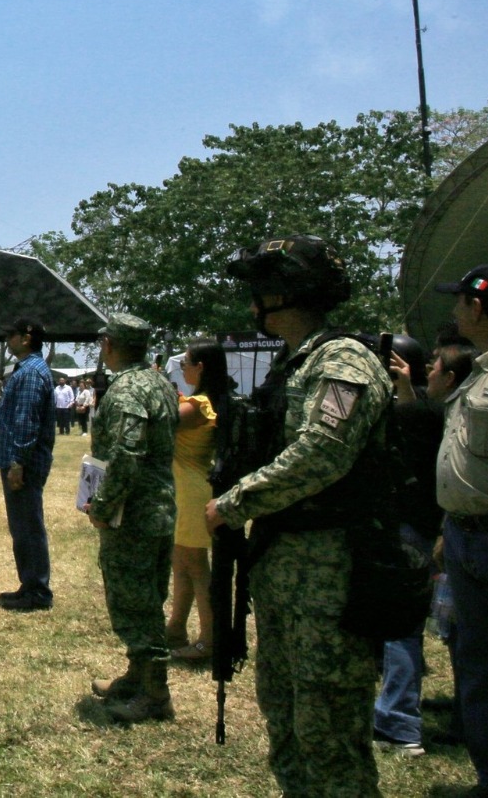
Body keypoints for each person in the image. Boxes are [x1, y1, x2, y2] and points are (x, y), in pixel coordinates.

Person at [206, 235, 392, 798]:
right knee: (285, 717)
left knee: (327, 729)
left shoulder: (343, 361)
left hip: (330, 570)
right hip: (285, 567)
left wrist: (236, 502)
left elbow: (323, 452)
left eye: (260, 291)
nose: (253, 304)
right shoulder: (294, 364)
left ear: (283, 294)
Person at [374, 338, 470, 757]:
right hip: (443, 530)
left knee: (400, 629)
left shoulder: (426, 415)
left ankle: (399, 723)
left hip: (414, 531)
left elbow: (406, 420)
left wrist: (402, 388)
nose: (431, 369)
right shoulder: (448, 414)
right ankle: (468, 717)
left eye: (435, 366)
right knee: (462, 635)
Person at [84, 314, 180, 721]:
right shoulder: (160, 382)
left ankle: (155, 696)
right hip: (159, 507)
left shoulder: (126, 390)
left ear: (109, 345)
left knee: (135, 604)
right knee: (148, 599)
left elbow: (127, 454)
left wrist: (103, 506)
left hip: (134, 514)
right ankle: (137, 677)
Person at [432, 264, 488, 796]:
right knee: (479, 666)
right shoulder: (481, 370)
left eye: (459, 302)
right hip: (465, 535)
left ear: (477, 308)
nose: (454, 311)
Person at [165, 336, 232, 663]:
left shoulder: (200, 404)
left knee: (195, 565)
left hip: (192, 492)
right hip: (185, 489)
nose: (182, 369)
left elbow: (164, 420)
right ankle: (176, 629)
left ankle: (209, 639)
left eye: (185, 363)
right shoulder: (199, 400)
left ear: (201, 367)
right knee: (182, 563)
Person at [0, 318, 56, 611]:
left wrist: (18, 462)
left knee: (27, 526)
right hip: (22, 461)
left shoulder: (29, 373)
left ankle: (37, 591)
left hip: (23, 464)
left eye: (12, 335)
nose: (8, 341)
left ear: (27, 338)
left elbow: (26, 421)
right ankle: (29, 584)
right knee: (23, 526)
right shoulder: (30, 369)